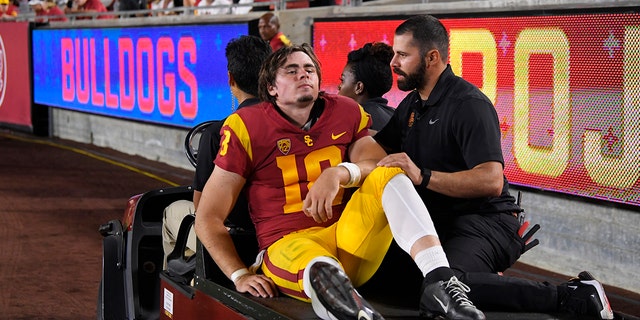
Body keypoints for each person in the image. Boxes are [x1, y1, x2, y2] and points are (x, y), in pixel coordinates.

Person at [195, 43, 485, 320]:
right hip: (287, 245)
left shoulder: (345, 111)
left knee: (391, 172)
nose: (303, 74)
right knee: (320, 269)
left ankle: (439, 281)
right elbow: (208, 216)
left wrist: (340, 172)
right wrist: (239, 274)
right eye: (291, 70)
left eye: (309, 68)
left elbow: (378, 164)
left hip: (346, 237)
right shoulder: (246, 125)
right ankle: (352, 310)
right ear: (271, 88)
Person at [375, 14, 614, 319]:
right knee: (387, 278)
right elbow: (375, 146)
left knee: (442, 288)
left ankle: (573, 296)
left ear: (432, 57)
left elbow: (490, 180)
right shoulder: (413, 104)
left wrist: (422, 176)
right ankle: (486, 282)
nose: (394, 62)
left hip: (485, 221)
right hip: (441, 221)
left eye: (403, 55)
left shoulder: (469, 104)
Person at [162, 35, 272, 266]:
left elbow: (202, 210)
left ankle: (189, 280)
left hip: (236, 240)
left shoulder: (217, 133)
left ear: (231, 79)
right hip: (278, 232)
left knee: (172, 212)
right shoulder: (292, 123)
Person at [338, 42, 395, 135]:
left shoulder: (354, 119)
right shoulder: (396, 115)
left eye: (342, 80)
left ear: (359, 87)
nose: (339, 86)